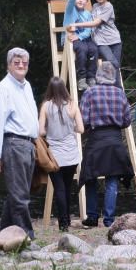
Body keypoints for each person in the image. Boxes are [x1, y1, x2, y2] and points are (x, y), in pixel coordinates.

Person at [0, 47, 40, 240]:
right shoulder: (3, 89)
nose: (20, 65)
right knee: (19, 196)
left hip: (28, 145)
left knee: (18, 193)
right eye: (16, 62)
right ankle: (27, 237)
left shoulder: (26, 86)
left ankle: (4, 235)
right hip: (14, 144)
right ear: (9, 65)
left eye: (24, 62)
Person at [78, 61, 132, 227]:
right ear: (113, 76)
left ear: (98, 75)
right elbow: (127, 121)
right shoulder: (120, 93)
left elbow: (84, 119)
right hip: (115, 140)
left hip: (96, 139)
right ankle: (109, 220)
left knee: (91, 178)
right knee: (112, 180)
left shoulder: (90, 93)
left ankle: (93, 217)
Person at [38, 76, 84, 231]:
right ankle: (68, 220)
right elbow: (81, 129)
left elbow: (41, 130)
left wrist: (50, 131)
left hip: (55, 156)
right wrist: (71, 129)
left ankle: (63, 224)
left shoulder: (46, 106)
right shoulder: (72, 105)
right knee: (67, 186)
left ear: (50, 89)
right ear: (64, 88)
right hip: (71, 154)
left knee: (59, 188)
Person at [67, 0, 122, 80]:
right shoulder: (95, 7)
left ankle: (118, 93)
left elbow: (95, 23)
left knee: (114, 67)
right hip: (101, 42)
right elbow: (88, 21)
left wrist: (77, 24)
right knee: (112, 63)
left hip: (114, 40)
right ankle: (106, 87)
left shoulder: (109, 6)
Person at [63, 0, 97, 91]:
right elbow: (70, 2)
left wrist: (80, 36)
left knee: (94, 49)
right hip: (70, 39)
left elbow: (88, 30)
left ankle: (91, 77)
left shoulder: (88, 14)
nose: (81, 0)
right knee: (82, 49)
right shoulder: (70, 10)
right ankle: (81, 79)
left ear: (87, 2)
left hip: (83, 39)